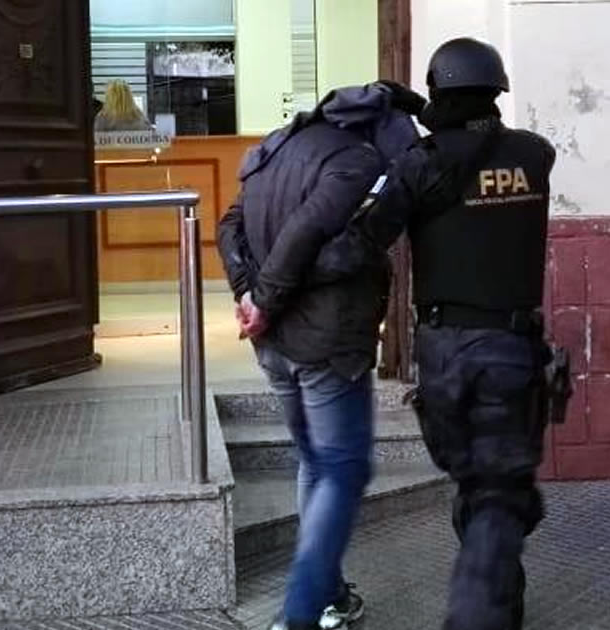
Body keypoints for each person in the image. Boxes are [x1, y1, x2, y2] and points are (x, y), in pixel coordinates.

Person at [311, 38, 558, 630]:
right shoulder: (535, 154)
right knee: (495, 483)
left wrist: (296, 274)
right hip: (513, 349)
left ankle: (482, 610)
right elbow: (477, 134)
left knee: (485, 486)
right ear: (496, 90)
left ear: (439, 91)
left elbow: (362, 241)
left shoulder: (419, 165)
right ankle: (499, 585)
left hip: (448, 352)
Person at [216, 81, 426, 630]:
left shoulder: (279, 145)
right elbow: (311, 233)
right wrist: (263, 299)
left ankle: (329, 596)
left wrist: (248, 292)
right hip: (326, 344)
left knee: (316, 462)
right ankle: (300, 613)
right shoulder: (357, 161)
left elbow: (230, 224)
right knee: (344, 468)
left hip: (276, 346)